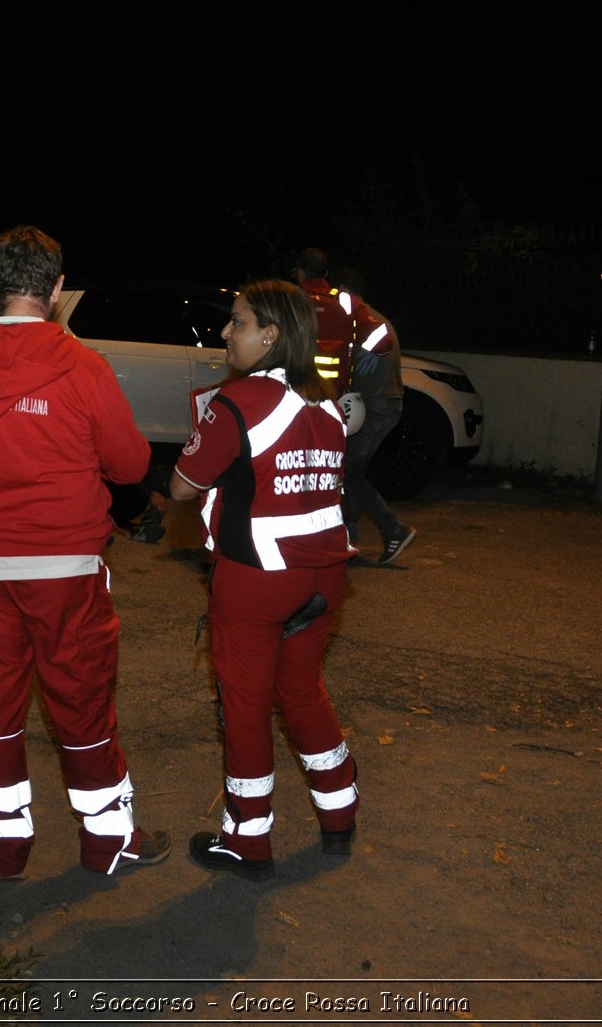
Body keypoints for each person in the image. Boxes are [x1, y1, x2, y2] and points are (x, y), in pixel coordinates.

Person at [0, 225, 168, 879]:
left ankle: (5, 849)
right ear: (57, 290)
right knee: (79, 703)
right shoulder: (83, 365)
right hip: (65, 568)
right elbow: (131, 462)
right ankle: (107, 838)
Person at [167, 278, 359, 882]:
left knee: (246, 708)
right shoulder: (324, 402)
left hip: (258, 579)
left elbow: (180, 487)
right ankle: (339, 811)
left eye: (238, 322)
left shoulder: (238, 402)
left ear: (270, 336)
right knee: (301, 690)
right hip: (325, 575)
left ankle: (247, 840)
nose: (226, 332)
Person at [335, 269, 416, 564]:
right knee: (355, 470)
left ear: (343, 291)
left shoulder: (362, 320)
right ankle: (348, 538)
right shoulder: (374, 318)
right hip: (385, 405)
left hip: (375, 407)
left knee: (351, 472)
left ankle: (394, 529)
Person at [289, 247, 392, 397]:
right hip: (332, 397)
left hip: (292, 392)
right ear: (325, 274)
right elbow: (384, 343)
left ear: (300, 274)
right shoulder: (346, 302)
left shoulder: (286, 301)